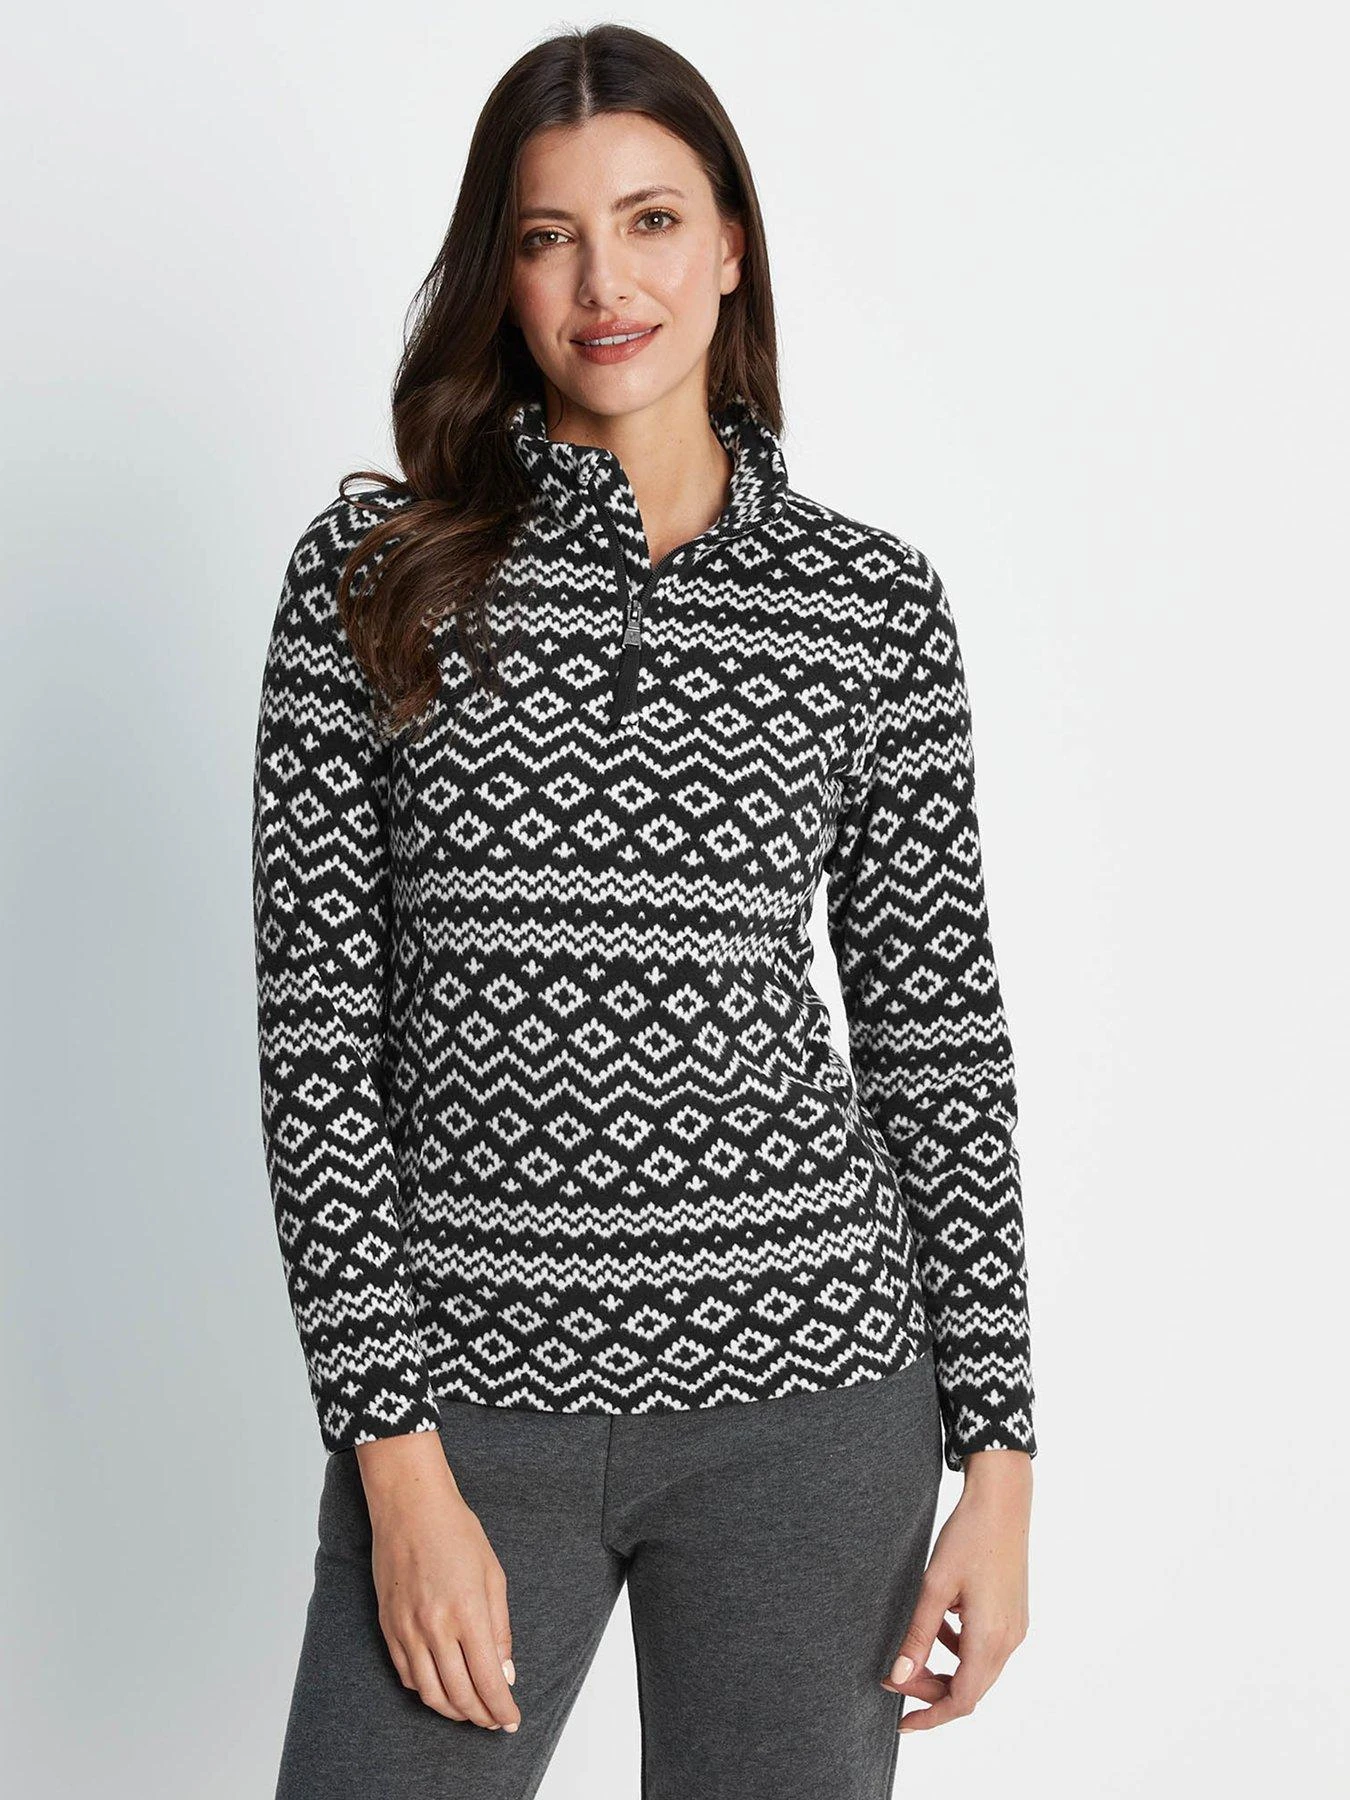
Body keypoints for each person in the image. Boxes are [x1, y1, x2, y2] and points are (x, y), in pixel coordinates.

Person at [250, 22, 1037, 1799]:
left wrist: (997, 1465)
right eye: (549, 237)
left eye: (652, 220)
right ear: (501, 272)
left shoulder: (870, 610)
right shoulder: (370, 584)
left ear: (731, 243)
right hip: (468, 1406)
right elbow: (316, 1055)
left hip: (812, 1400)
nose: (605, 283)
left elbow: (935, 1045)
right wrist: (395, 1462)